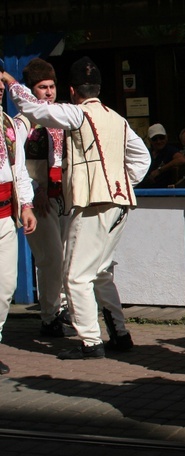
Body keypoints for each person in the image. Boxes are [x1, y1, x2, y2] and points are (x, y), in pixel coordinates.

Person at [3, 56, 151, 359]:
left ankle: (90, 342)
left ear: (71, 91)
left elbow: (33, 109)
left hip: (92, 202)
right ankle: (119, 334)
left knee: (75, 275)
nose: (48, 91)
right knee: (99, 271)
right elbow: (142, 159)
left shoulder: (76, 114)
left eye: (52, 86)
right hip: (117, 202)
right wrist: (120, 183)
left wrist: (10, 83)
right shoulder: (116, 117)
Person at [13, 58, 73, 338]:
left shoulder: (61, 116)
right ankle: (50, 316)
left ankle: (59, 308)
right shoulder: (22, 122)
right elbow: (16, 163)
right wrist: (33, 190)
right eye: (41, 87)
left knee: (65, 257)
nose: (48, 92)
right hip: (37, 197)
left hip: (62, 195)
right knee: (50, 257)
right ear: (30, 91)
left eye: (51, 86)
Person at [0, 77, 38, 374]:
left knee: (6, 285)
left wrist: (26, 204)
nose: (0, 88)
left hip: (4, 215)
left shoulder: (9, 125)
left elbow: (19, 169)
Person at [141, 123, 181, 187]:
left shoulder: (170, 151)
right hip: (146, 191)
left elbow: (181, 159)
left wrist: (159, 170)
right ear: (150, 140)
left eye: (161, 138)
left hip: (165, 191)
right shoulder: (146, 152)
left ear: (166, 137)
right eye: (155, 139)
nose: (158, 141)